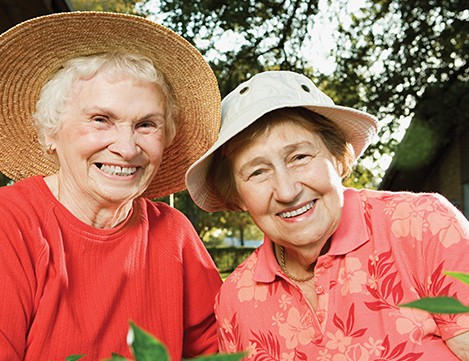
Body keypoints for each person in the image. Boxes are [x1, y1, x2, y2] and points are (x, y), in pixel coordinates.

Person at [0, 12, 223, 361]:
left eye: (146, 124)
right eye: (100, 119)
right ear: (51, 133)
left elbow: (220, 346)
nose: (126, 146)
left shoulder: (174, 234)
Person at [185, 71, 469, 360]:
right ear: (237, 195)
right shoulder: (235, 300)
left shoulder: (423, 225)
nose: (286, 191)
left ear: (337, 158)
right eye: (258, 172)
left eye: (299, 157)